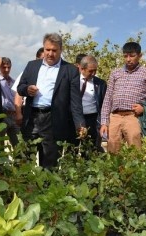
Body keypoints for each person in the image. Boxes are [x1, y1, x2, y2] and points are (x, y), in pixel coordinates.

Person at [17, 33, 86, 169]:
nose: (50, 53)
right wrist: (27, 90)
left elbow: (75, 101)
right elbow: (20, 87)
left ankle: (47, 189)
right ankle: (26, 189)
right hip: (32, 118)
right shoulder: (32, 66)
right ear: (43, 48)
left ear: (60, 50)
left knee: (50, 161)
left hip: (53, 120)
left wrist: (80, 123)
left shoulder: (70, 70)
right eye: (47, 50)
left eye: (54, 50)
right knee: (25, 157)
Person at [99, 42, 146, 153]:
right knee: (112, 152)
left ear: (140, 56)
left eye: (132, 55)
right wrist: (104, 122)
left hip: (134, 117)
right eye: (125, 56)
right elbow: (108, 99)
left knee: (135, 152)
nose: (128, 59)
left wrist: (144, 108)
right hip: (115, 117)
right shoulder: (115, 73)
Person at [11, 47, 45, 127]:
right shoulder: (28, 72)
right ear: (36, 59)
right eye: (42, 59)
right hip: (30, 112)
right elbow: (18, 93)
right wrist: (19, 114)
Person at [79, 55, 107, 151]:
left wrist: (103, 122)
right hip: (77, 119)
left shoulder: (100, 83)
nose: (93, 73)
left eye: (95, 70)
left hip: (93, 120)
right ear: (82, 69)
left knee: (93, 148)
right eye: (90, 71)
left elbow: (104, 104)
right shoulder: (73, 81)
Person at [0, 57, 20, 146]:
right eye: (4, 67)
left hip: (13, 115)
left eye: (8, 67)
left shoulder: (14, 82)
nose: (6, 70)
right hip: (2, 116)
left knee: (18, 146)